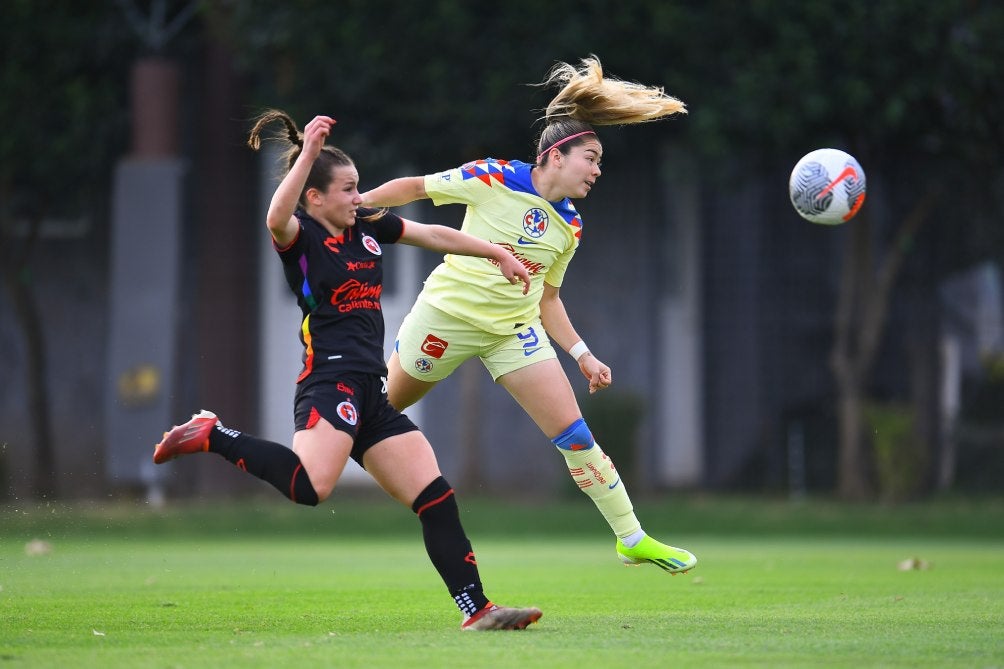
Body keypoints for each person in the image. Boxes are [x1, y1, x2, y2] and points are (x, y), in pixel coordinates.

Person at [152, 109, 541, 631]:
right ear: (315, 197)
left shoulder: (368, 227)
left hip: (371, 391)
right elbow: (274, 217)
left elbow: (433, 235)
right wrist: (309, 154)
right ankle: (213, 434)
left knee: (435, 497)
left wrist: (497, 253)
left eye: (359, 188)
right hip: (328, 381)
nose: (360, 198)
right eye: (349, 189)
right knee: (311, 488)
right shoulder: (302, 239)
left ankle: (479, 611)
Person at [360, 56, 697, 575]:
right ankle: (303, 469)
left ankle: (632, 537)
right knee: (370, 415)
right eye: (591, 157)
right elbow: (415, 188)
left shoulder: (571, 227)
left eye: (600, 161)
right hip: (445, 318)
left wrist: (583, 356)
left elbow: (548, 299)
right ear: (555, 155)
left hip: (515, 333)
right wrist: (354, 208)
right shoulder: (493, 176)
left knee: (576, 437)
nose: (597, 170)